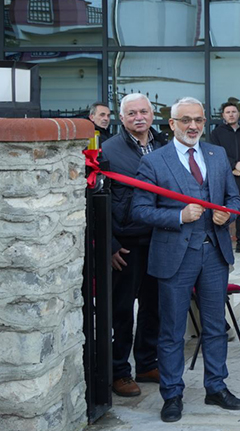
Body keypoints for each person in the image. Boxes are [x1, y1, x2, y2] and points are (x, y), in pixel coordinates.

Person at [131, 97, 240, 423]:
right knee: (171, 331)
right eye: (185, 120)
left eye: (198, 120)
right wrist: (178, 215)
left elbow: (233, 197)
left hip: (214, 254)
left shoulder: (217, 154)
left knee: (214, 328)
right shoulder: (155, 161)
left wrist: (227, 213)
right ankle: (172, 394)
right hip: (174, 257)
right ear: (172, 124)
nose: (193, 126)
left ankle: (216, 387)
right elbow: (139, 210)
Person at [99, 93, 166, 397]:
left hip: (159, 238)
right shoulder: (108, 151)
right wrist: (110, 243)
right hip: (125, 243)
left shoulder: (164, 145)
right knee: (122, 311)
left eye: (144, 111)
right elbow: (97, 202)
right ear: (121, 118)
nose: (139, 117)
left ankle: (146, 363)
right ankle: (118, 371)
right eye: (131, 113)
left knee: (153, 307)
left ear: (153, 114)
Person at [208, 101, 240, 253]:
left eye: (233, 112)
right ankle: (219, 242)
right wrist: (234, 165)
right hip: (223, 176)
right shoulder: (216, 133)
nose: (231, 114)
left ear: (238, 114)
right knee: (219, 209)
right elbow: (214, 154)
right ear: (223, 115)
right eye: (228, 112)